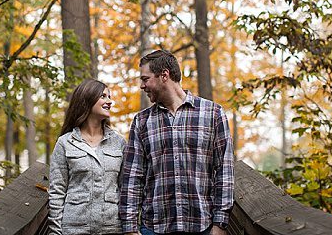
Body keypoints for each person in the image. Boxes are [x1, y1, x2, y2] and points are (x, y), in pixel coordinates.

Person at [119, 49, 234, 235]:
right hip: (154, 228)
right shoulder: (141, 121)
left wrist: (220, 224)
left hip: (202, 226)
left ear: (164, 75)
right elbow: (132, 178)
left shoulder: (213, 114)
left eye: (145, 79)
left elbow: (224, 172)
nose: (142, 85)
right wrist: (130, 229)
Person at [48, 78, 125, 235]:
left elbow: (125, 189)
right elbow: (57, 191)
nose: (109, 101)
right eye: (103, 96)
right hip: (74, 229)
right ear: (87, 99)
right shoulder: (65, 143)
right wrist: (55, 232)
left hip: (111, 229)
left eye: (109, 96)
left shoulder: (119, 143)